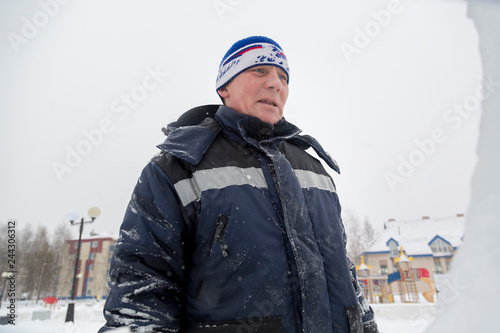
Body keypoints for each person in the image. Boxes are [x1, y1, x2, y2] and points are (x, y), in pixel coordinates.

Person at [100, 36, 379, 333]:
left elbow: (344, 276)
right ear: (224, 86)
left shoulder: (314, 169)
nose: (276, 84)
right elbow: (141, 292)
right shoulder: (178, 167)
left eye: (283, 77)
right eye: (260, 71)